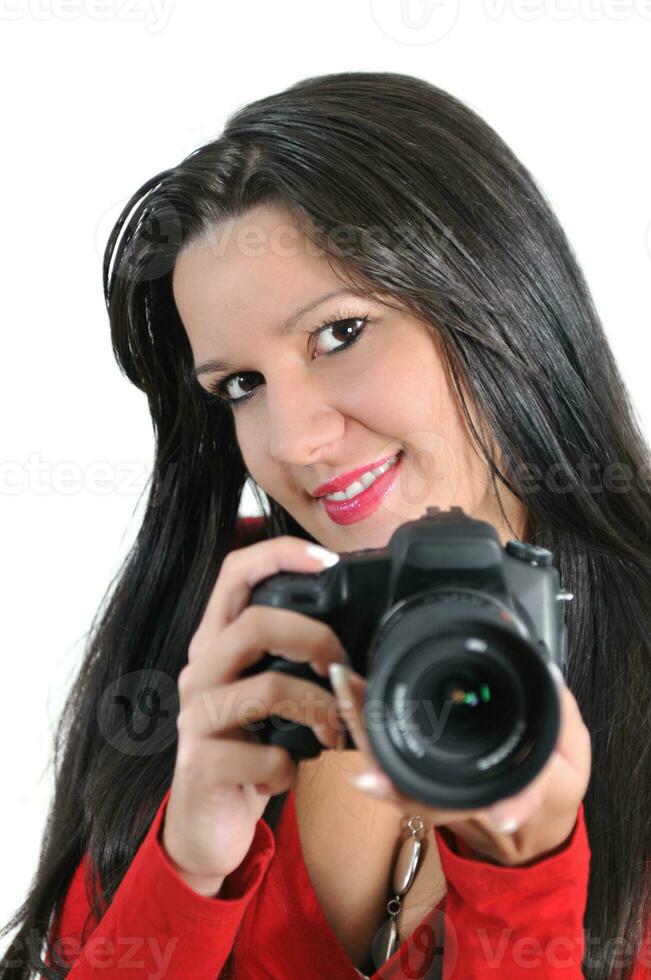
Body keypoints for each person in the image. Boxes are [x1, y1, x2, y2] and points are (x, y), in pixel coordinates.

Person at [1, 71, 649, 979]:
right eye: (241, 386)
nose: (291, 443)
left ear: (496, 299)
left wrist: (522, 881)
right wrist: (185, 871)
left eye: (339, 333)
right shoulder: (215, 644)